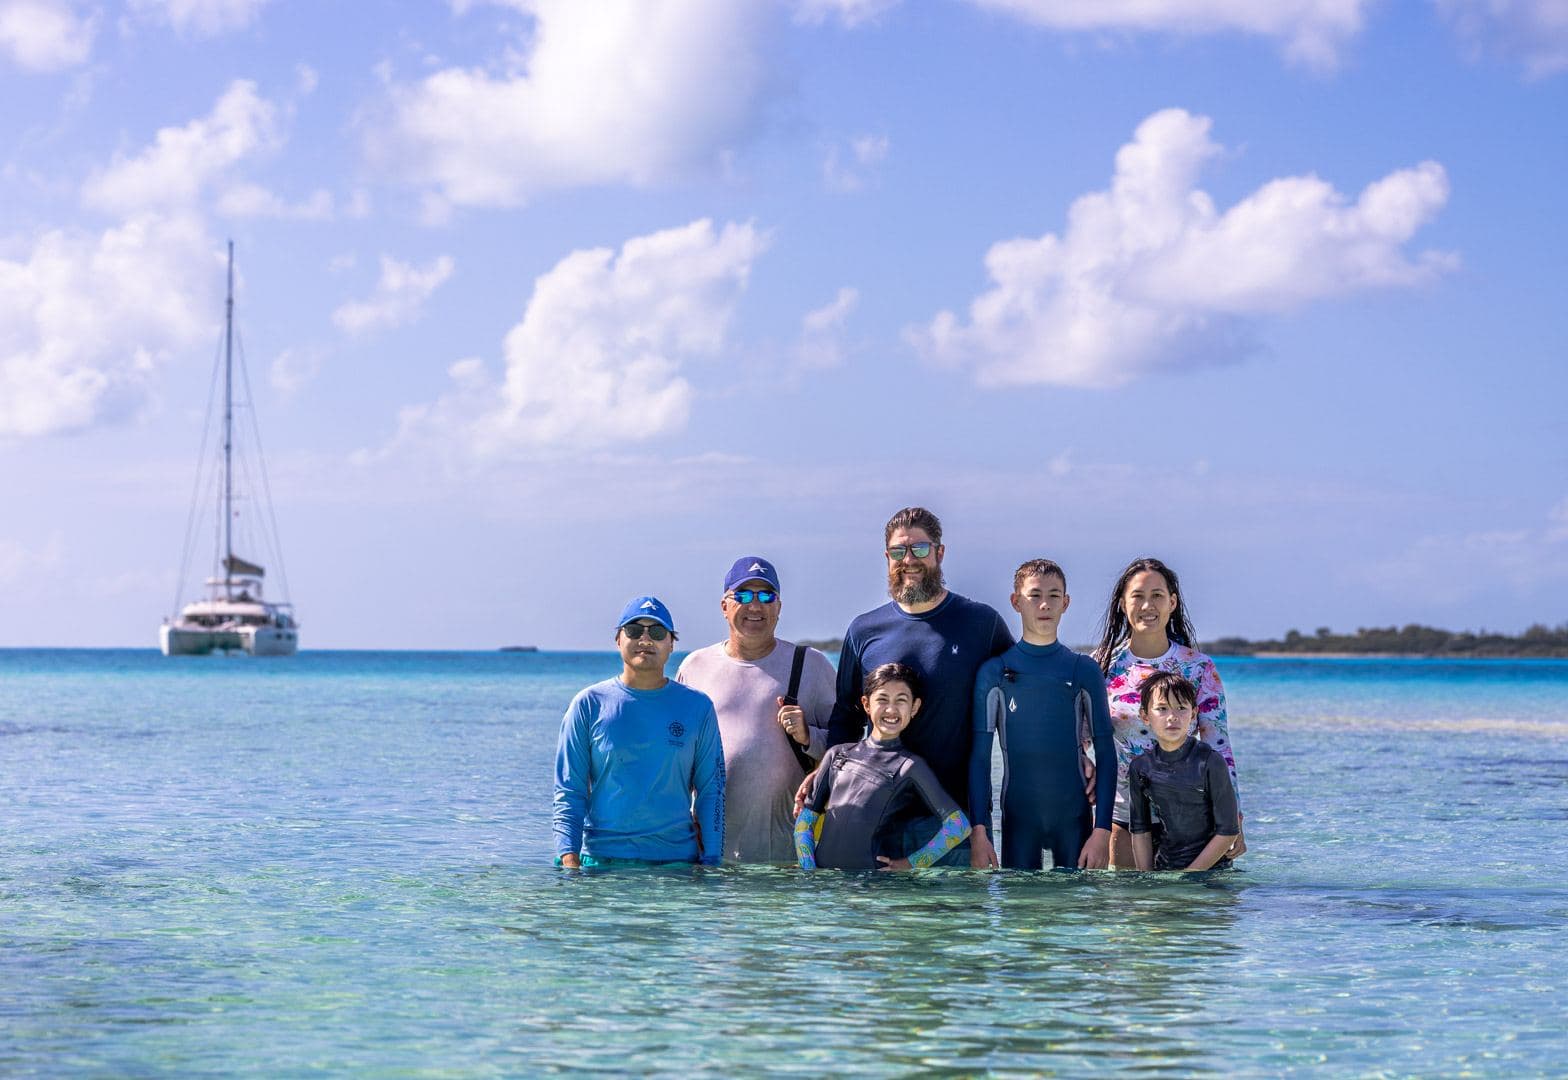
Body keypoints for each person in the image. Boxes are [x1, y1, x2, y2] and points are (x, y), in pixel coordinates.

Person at [814, 507, 1012, 866]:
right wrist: (824, 783)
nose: (909, 560)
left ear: (940, 552)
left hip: (950, 827)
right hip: (873, 825)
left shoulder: (981, 624)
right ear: (886, 557)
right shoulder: (864, 630)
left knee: (953, 924)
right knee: (878, 923)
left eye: (919, 549)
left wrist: (1076, 751)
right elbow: (845, 716)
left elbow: (1021, 699)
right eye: (898, 552)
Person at [676, 556, 836, 862]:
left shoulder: (811, 665)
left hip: (789, 855)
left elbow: (850, 751)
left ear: (778, 607)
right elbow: (675, 756)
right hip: (710, 855)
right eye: (743, 596)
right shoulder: (695, 666)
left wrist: (808, 737)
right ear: (725, 606)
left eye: (766, 596)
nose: (755, 606)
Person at [552, 596, 726, 868]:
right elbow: (569, 790)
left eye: (656, 632)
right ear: (618, 640)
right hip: (601, 863)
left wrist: (712, 862)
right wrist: (569, 860)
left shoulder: (698, 707)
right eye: (634, 630)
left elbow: (711, 790)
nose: (645, 639)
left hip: (676, 865)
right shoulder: (588, 704)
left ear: (671, 645)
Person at [1092, 557, 1243, 869]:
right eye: (1138, 596)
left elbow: (1219, 746)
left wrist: (1235, 818)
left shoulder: (1198, 667)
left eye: (1157, 595)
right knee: (1126, 915)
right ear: (1122, 603)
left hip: (1195, 821)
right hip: (1124, 817)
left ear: (1172, 602)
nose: (1148, 605)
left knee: (1195, 915)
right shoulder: (1100, 667)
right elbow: (1076, 735)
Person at [969, 559, 1116, 870]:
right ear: (1016, 602)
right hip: (1019, 820)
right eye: (1034, 595)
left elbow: (1106, 752)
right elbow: (980, 758)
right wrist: (979, 832)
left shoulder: (1083, 670)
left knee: (1075, 914)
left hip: (1074, 819)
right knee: (1020, 915)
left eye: (1054, 595)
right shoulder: (994, 672)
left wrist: (1102, 830)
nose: (1045, 604)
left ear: (1066, 603)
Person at [794, 664, 971, 870]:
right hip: (826, 886)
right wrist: (809, 870)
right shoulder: (837, 755)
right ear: (866, 704)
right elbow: (806, 820)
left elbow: (957, 826)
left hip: (872, 887)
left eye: (901, 701)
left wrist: (911, 863)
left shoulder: (909, 766)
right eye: (882, 699)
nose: (891, 709)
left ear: (914, 707)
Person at [1128, 672, 1239, 872]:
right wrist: (1146, 880)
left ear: (1193, 714)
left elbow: (1228, 832)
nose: (1172, 717)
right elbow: (1140, 830)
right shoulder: (1141, 768)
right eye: (1162, 709)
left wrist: (1189, 876)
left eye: (1181, 708)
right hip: (1166, 867)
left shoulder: (1210, 762)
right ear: (1145, 716)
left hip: (1213, 873)